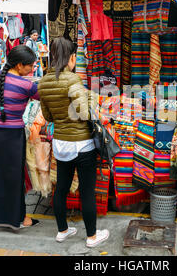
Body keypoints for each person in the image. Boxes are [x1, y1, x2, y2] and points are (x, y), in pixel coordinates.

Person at [38, 37, 109, 247]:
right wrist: (90, 98)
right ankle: (92, 237)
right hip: (81, 145)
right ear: (71, 58)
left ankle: (62, 231)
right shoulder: (73, 80)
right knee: (87, 190)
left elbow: (48, 117)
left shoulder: (44, 82)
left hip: (61, 144)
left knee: (61, 187)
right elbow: (85, 113)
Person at [0, 45, 40, 230]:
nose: (33, 69)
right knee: (14, 178)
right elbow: (44, 98)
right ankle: (19, 219)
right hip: (13, 137)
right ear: (21, 65)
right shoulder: (28, 85)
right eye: (31, 66)